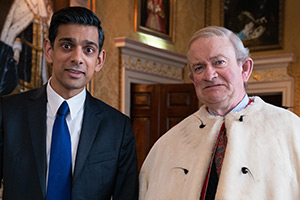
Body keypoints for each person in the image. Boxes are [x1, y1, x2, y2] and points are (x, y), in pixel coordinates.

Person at [139, 26, 300, 200]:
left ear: (245, 68)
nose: (209, 75)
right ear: (193, 80)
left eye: (219, 62)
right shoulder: (168, 144)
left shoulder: (291, 130)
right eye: (199, 67)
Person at [0, 6, 138, 200]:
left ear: (99, 60)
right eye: (67, 46)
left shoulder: (118, 128)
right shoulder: (8, 112)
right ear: (49, 50)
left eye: (88, 50)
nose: (77, 58)